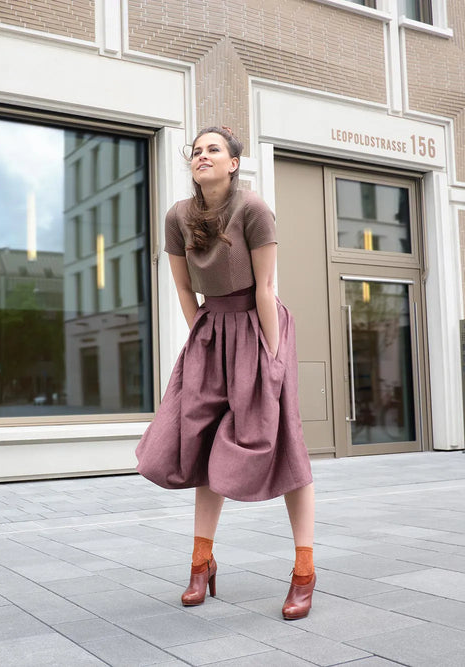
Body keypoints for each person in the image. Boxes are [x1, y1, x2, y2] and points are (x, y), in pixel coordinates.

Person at [135, 126, 316, 620]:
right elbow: (182, 291)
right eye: (196, 151)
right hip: (212, 330)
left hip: (261, 327)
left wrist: (273, 363)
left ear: (234, 162)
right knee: (203, 442)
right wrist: (203, 342)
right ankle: (201, 563)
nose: (202, 156)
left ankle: (304, 571)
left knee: (283, 442)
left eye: (213, 149)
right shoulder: (177, 216)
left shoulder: (252, 208)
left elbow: (266, 287)